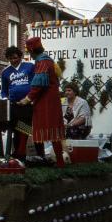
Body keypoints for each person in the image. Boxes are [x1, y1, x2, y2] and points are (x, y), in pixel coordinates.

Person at [17, 37, 65, 167]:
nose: (29, 55)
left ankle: (44, 159)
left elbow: (38, 85)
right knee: (51, 131)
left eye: (29, 52)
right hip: (49, 101)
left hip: (45, 102)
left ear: (32, 51)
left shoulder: (42, 62)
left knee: (46, 130)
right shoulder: (48, 61)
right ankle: (51, 159)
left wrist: (27, 99)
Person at [0, 46, 35, 159]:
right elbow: (4, 91)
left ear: (20, 56)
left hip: (27, 103)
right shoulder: (5, 72)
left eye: (15, 57)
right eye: (10, 58)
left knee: (24, 127)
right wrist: (5, 101)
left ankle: (21, 152)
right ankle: (17, 154)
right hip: (13, 104)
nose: (13, 60)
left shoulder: (29, 66)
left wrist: (32, 99)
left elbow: (35, 84)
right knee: (14, 129)